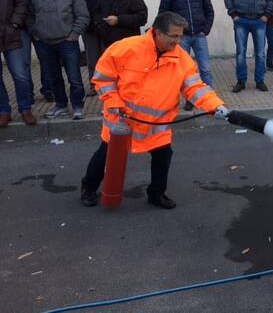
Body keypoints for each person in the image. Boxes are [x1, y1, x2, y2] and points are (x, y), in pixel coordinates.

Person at [80, 12, 227, 209]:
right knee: (105, 154)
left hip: (157, 124)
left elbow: (195, 87)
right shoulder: (126, 48)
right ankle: (88, 189)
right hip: (122, 119)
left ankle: (156, 193)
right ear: (157, 33)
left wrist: (216, 106)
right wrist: (114, 102)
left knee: (163, 155)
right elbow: (103, 78)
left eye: (180, 36)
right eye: (173, 36)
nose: (178, 41)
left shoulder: (181, 59)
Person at [28, 0, 90, 120]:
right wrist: (36, 34)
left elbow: (83, 16)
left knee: (75, 77)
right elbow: (29, 16)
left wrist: (74, 35)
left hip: (67, 42)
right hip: (44, 43)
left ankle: (78, 106)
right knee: (53, 77)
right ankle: (61, 105)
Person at [159, 0, 214, 111]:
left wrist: (206, 29)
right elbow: (163, 14)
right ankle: (190, 98)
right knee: (184, 71)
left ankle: (209, 98)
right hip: (180, 38)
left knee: (205, 68)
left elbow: (209, 10)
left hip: (199, 35)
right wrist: (170, 35)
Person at [224, 0, 273, 93]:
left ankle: (260, 81)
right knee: (241, 53)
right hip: (241, 21)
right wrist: (233, 14)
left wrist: (267, 15)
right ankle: (241, 81)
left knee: (260, 53)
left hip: (260, 20)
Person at [7, 0, 53, 101]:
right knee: (24, 62)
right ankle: (28, 93)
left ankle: (48, 90)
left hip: (39, 23)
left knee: (45, 58)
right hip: (19, 25)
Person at [0, 0, 36, 126]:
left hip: (10, 33)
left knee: (20, 74)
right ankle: (4, 111)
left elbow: (22, 0)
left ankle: (25, 109)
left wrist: (14, 24)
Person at [70, 0, 108, 96]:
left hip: (105, 26)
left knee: (106, 56)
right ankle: (94, 84)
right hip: (88, 26)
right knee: (92, 58)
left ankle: (108, 83)